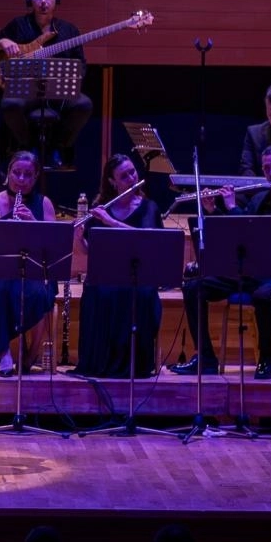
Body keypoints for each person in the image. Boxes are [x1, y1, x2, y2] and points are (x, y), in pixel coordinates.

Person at [170, 144, 271, 380]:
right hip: (249, 272)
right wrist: (213, 210)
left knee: (263, 295)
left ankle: (266, 359)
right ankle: (205, 358)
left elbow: (260, 235)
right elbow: (236, 233)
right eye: (267, 168)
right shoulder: (261, 198)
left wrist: (232, 206)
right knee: (193, 288)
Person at [0, 0, 95, 173]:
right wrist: (2, 42)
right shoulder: (18, 25)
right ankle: (27, 146)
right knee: (9, 104)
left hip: (58, 93)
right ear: (29, 0)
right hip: (27, 92)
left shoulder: (69, 30)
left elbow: (82, 65)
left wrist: (71, 78)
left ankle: (60, 146)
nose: (43, 1)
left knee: (84, 104)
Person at [76, 153, 163, 378]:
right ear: (112, 182)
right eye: (124, 176)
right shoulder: (101, 207)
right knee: (96, 291)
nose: (132, 178)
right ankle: (101, 363)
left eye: (132, 172)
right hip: (109, 273)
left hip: (140, 275)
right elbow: (88, 249)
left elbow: (148, 239)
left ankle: (135, 364)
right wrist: (78, 236)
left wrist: (110, 222)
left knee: (140, 295)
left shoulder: (149, 207)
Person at [0, 151, 58, 376]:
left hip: (35, 271)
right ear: (8, 173)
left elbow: (53, 244)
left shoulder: (44, 204)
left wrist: (33, 223)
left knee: (38, 294)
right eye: (16, 173)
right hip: (0, 271)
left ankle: (32, 353)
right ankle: (3, 352)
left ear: (36, 176)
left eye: (28, 175)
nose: (21, 179)